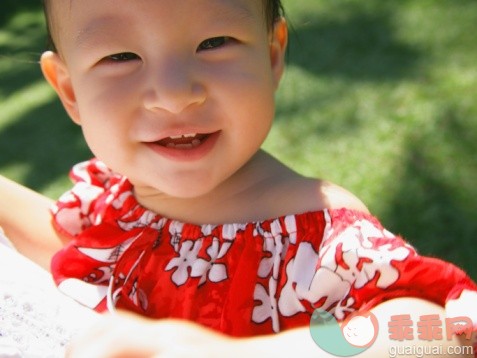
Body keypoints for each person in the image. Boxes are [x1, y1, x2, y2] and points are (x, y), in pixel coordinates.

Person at [0, 0, 476, 356]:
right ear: (68, 90)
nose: (173, 95)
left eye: (213, 44)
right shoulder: (119, 196)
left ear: (272, 57)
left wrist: (226, 353)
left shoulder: (314, 234)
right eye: (119, 57)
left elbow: (438, 334)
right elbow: (70, 250)